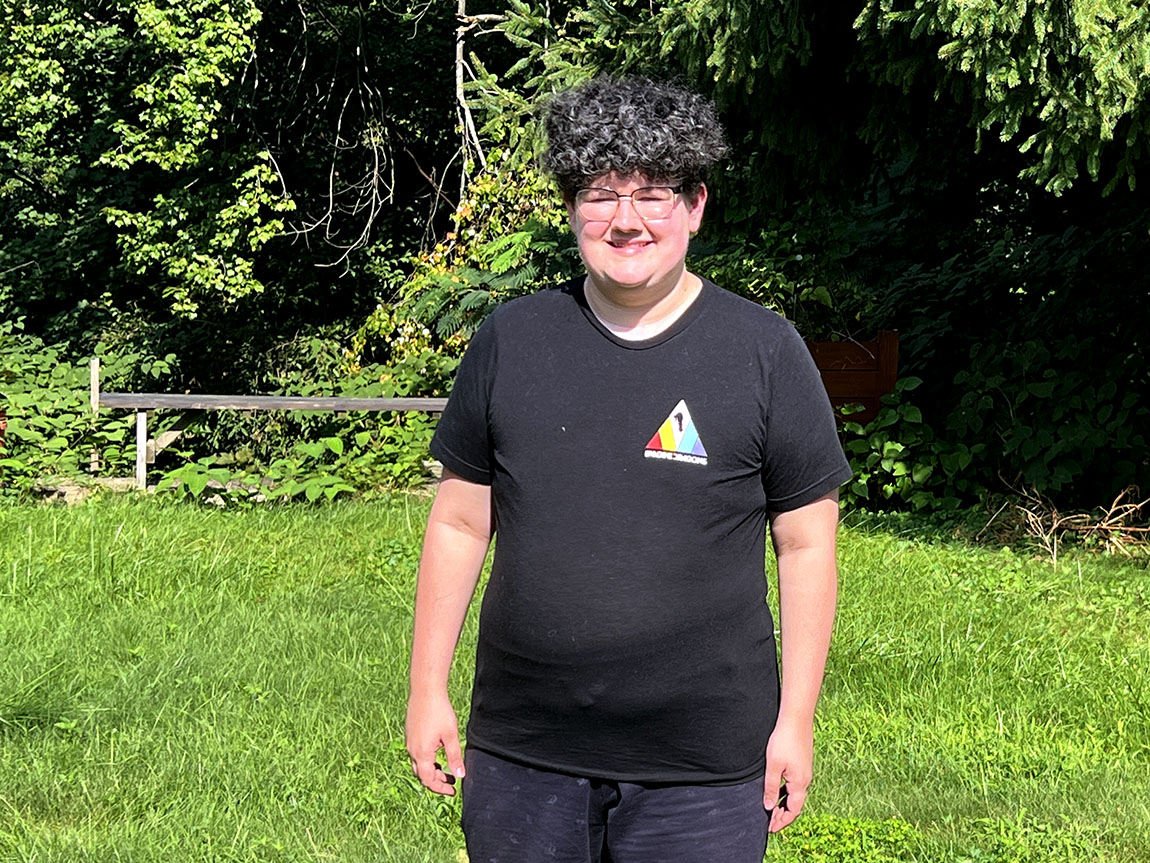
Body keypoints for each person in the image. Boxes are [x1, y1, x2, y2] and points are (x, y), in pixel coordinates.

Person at [405, 76, 852, 863]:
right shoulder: (512, 341)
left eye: (654, 193)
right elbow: (459, 520)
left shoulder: (765, 351)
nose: (626, 219)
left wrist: (797, 719)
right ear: (571, 206)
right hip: (524, 752)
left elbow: (807, 543)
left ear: (697, 205)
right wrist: (425, 687)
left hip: (706, 768)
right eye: (601, 194)